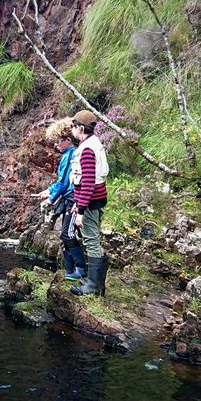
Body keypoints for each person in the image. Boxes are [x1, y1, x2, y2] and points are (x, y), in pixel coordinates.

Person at [37, 118, 86, 280]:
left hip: (72, 198)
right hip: (68, 198)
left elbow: (64, 183)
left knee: (68, 234)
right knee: (65, 235)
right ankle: (69, 271)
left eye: (58, 141)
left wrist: (51, 198)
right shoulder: (68, 154)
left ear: (68, 140)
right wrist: (48, 191)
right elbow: (61, 181)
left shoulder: (71, 154)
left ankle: (80, 268)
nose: (56, 145)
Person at [68, 110, 110, 296]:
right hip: (93, 201)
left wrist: (81, 210)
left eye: (73, 126)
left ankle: (93, 286)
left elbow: (88, 183)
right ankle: (96, 284)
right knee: (92, 239)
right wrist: (78, 203)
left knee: (91, 240)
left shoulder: (86, 151)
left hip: (91, 203)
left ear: (80, 128)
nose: (71, 130)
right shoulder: (93, 144)